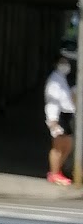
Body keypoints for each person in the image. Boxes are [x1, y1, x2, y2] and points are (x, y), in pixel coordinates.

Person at [44, 47, 75, 186]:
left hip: (67, 115)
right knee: (58, 146)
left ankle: (57, 171)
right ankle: (54, 173)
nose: (65, 65)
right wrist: (53, 120)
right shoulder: (54, 80)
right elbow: (52, 101)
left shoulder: (62, 79)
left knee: (67, 144)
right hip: (58, 116)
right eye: (62, 62)